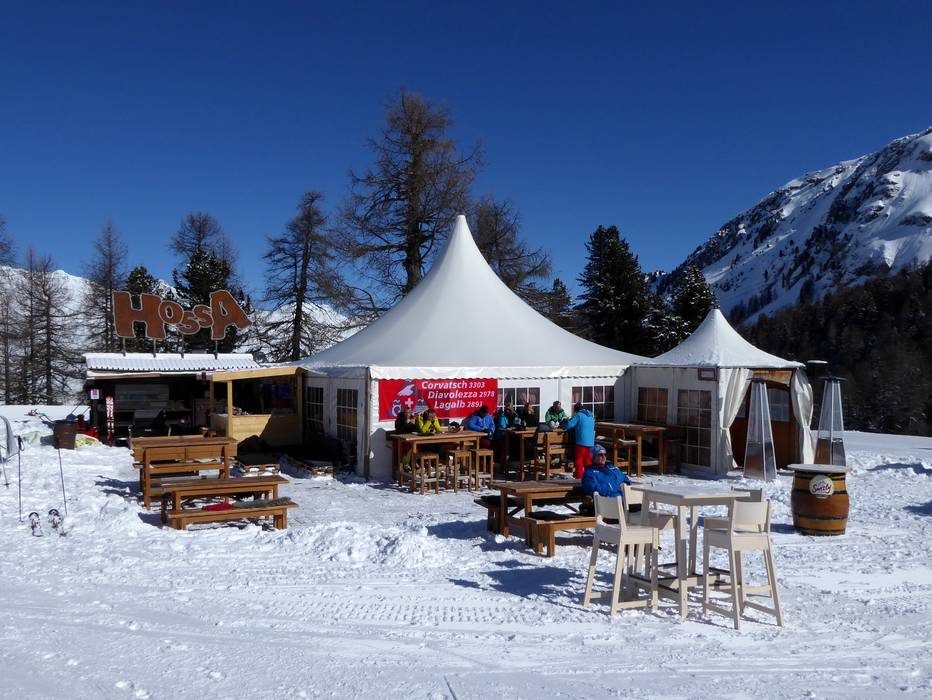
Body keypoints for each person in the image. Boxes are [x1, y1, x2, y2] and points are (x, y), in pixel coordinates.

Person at [564, 401, 595, 478]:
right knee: (588, 460)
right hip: (591, 442)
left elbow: (569, 425)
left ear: (576, 410)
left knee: (579, 460)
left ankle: (579, 476)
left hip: (582, 441)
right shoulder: (590, 415)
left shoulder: (579, 415)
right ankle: (589, 476)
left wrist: (565, 422)